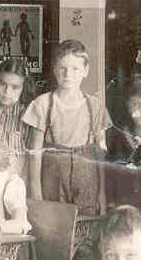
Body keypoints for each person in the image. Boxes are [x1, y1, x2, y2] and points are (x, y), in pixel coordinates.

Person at [23, 39, 111, 216]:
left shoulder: (95, 106)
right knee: (54, 228)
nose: (68, 74)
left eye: (75, 69)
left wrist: (102, 193)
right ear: (54, 70)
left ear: (85, 71)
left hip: (87, 178)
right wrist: (36, 195)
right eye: (62, 68)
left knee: (86, 232)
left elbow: (101, 153)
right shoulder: (42, 104)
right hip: (52, 178)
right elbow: (34, 155)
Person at [0, 58, 36, 177]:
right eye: (3, 84)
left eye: (15, 87)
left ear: (24, 88)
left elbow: (31, 159)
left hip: (16, 184)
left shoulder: (28, 117)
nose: (7, 92)